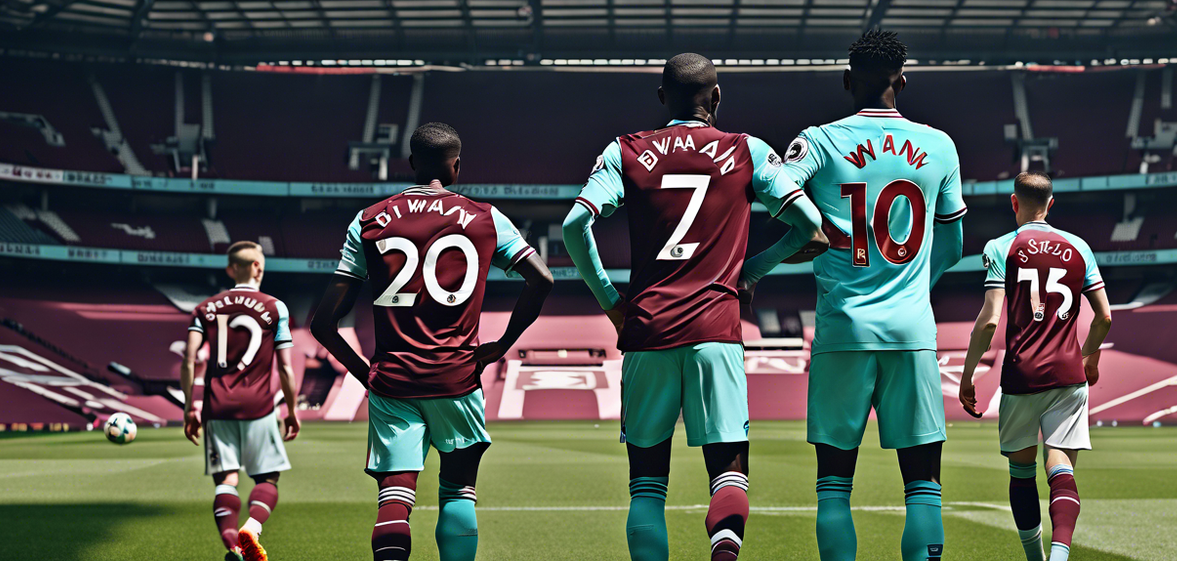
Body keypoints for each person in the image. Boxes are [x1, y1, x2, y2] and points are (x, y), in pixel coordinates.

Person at [561, 52, 822, 561]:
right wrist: (750, 271)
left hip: (647, 330)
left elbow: (575, 225)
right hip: (716, 329)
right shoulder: (747, 150)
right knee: (727, 474)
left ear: (661, 98)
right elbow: (810, 226)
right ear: (717, 97)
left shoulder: (626, 151)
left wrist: (612, 303)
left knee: (646, 488)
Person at [309, 122, 554, 561]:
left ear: (410, 164)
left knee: (394, 501)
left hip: (394, 381)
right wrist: (501, 344)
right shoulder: (486, 217)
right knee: (459, 493)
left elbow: (323, 323)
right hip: (457, 378)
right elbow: (542, 279)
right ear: (456, 166)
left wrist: (366, 374)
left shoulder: (368, 220)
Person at [780, 29, 966, 561]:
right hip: (911, 331)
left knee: (834, 486)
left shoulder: (818, 140)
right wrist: (913, 291)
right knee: (923, 487)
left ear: (846, 82)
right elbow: (951, 246)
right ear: (902, 82)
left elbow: (778, 192)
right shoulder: (940, 144)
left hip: (842, 328)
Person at [958, 171, 1113, 561]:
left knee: (1022, 475)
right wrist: (1088, 356)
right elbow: (1104, 317)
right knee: (1061, 468)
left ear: (1014, 203)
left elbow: (990, 319)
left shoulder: (1000, 247)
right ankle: (1059, 559)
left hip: (1021, 375)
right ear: (1051, 204)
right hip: (1068, 375)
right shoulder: (1079, 247)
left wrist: (968, 374)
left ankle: (1036, 560)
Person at [183, 240, 301, 561]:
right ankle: (252, 526)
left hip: (217, 406)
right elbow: (286, 367)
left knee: (226, 479)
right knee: (267, 478)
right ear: (258, 267)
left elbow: (190, 359)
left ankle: (233, 545)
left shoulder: (204, 308)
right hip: (259, 406)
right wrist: (291, 410)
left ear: (230, 268)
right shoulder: (275, 307)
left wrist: (188, 410)